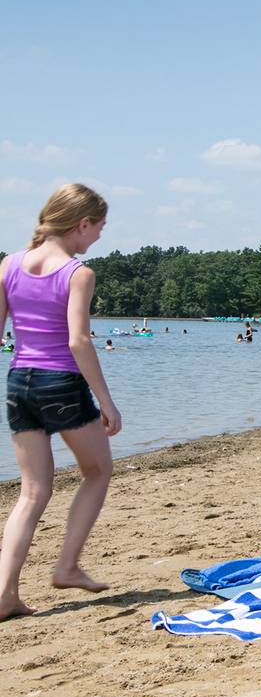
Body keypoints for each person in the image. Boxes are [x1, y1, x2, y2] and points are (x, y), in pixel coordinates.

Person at [0, 184, 122, 621]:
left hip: (19, 384)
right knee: (98, 470)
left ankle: (5, 594)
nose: (99, 238)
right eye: (99, 228)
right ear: (81, 224)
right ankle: (67, 565)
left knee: (32, 492)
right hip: (62, 385)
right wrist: (106, 401)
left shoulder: (8, 265)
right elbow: (78, 340)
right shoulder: (77, 273)